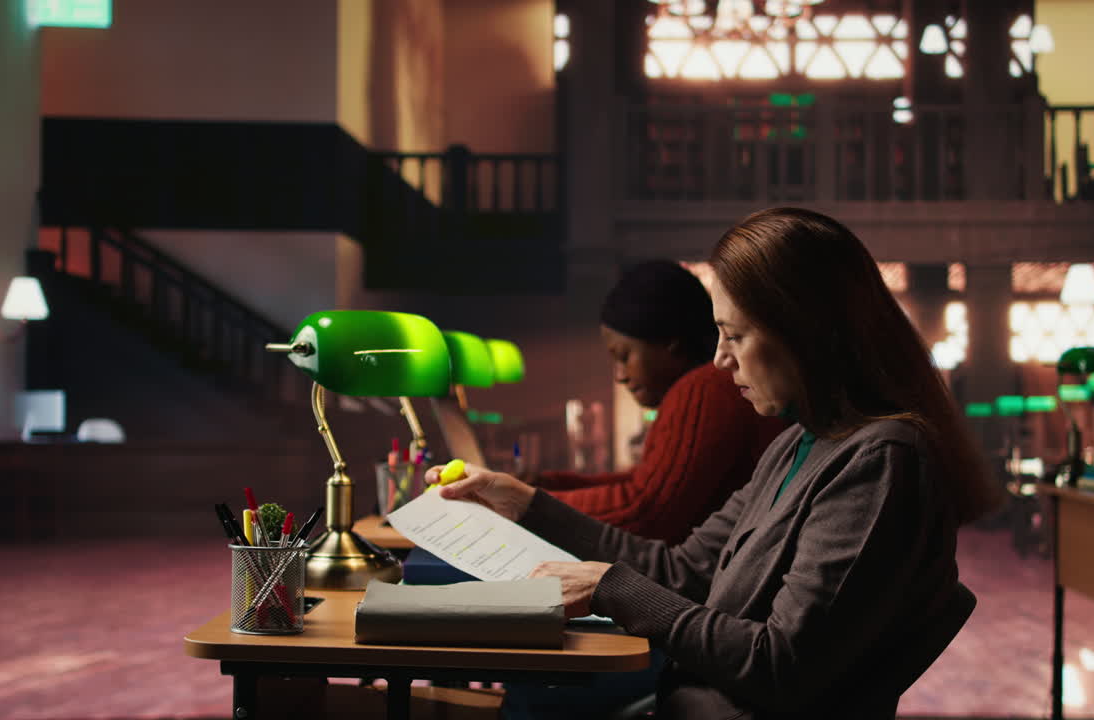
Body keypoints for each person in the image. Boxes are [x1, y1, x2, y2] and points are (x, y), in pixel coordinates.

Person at [429, 208, 1001, 720]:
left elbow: (780, 667)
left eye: (735, 335)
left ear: (803, 333)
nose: (720, 358)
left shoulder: (879, 462)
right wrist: (526, 504)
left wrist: (611, 589)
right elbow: (681, 571)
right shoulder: (795, 444)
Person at [537, 259, 788, 544]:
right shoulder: (704, 387)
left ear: (671, 342)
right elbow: (648, 482)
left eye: (624, 357)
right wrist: (548, 486)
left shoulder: (706, 388)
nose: (620, 375)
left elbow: (646, 512)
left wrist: (532, 504)